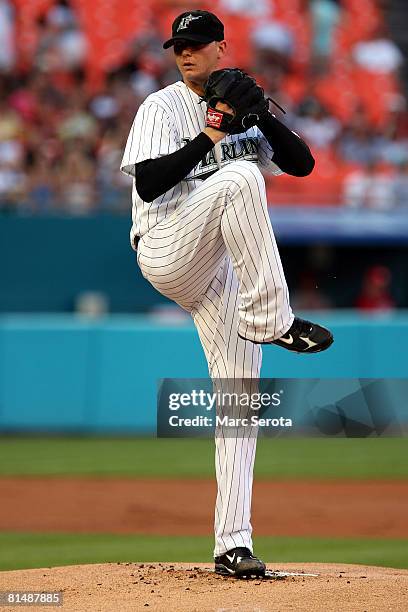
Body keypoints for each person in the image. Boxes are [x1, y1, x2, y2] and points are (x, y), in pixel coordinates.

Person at [121, 9, 333, 578]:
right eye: (177, 45)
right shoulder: (160, 106)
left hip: (221, 270)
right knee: (239, 177)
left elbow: (304, 164)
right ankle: (273, 319)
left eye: (195, 44)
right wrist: (214, 131)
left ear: (220, 47)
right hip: (166, 244)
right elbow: (148, 181)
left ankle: (231, 544)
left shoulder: (242, 101)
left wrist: (261, 115)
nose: (184, 53)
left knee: (240, 401)